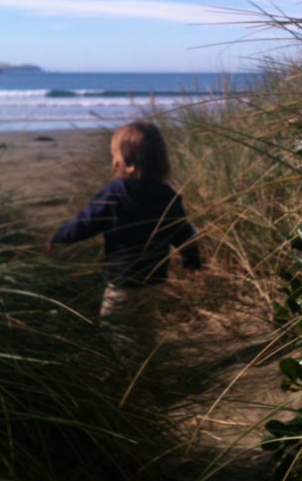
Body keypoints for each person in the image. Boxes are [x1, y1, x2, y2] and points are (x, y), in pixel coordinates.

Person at [47, 120, 201, 351]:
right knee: (143, 327)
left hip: (123, 279)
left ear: (123, 160)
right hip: (154, 279)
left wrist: (59, 237)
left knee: (114, 327)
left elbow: (85, 223)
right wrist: (191, 259)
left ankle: (130, 372)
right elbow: (183, 230)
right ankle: (147, 367)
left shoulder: (114, 193)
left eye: (114, 154)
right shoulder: (167, 195)